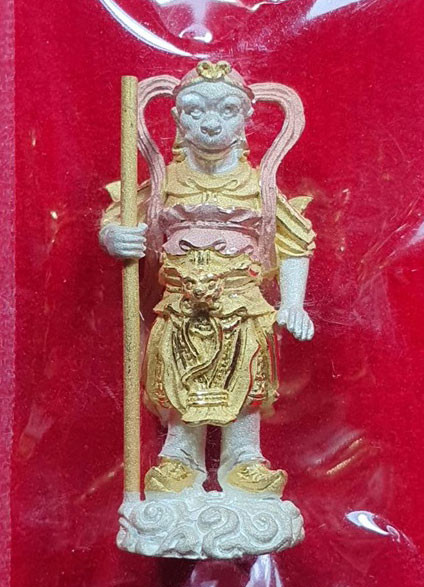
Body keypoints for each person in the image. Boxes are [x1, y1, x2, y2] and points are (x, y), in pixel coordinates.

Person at [100, 60, 315, 497]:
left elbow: (295, 241)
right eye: (195, 111)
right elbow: (118, 218)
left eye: (227, 110)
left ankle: (244, 457)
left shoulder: (259, 186)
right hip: (179, 305)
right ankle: (180, 455)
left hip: (242, 306)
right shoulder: (164, 181)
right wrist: (114, 236)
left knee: (247, 376)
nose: (211, 123)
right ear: (177, 118)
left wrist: (293, 302)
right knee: (179, 375)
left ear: (246, 118)